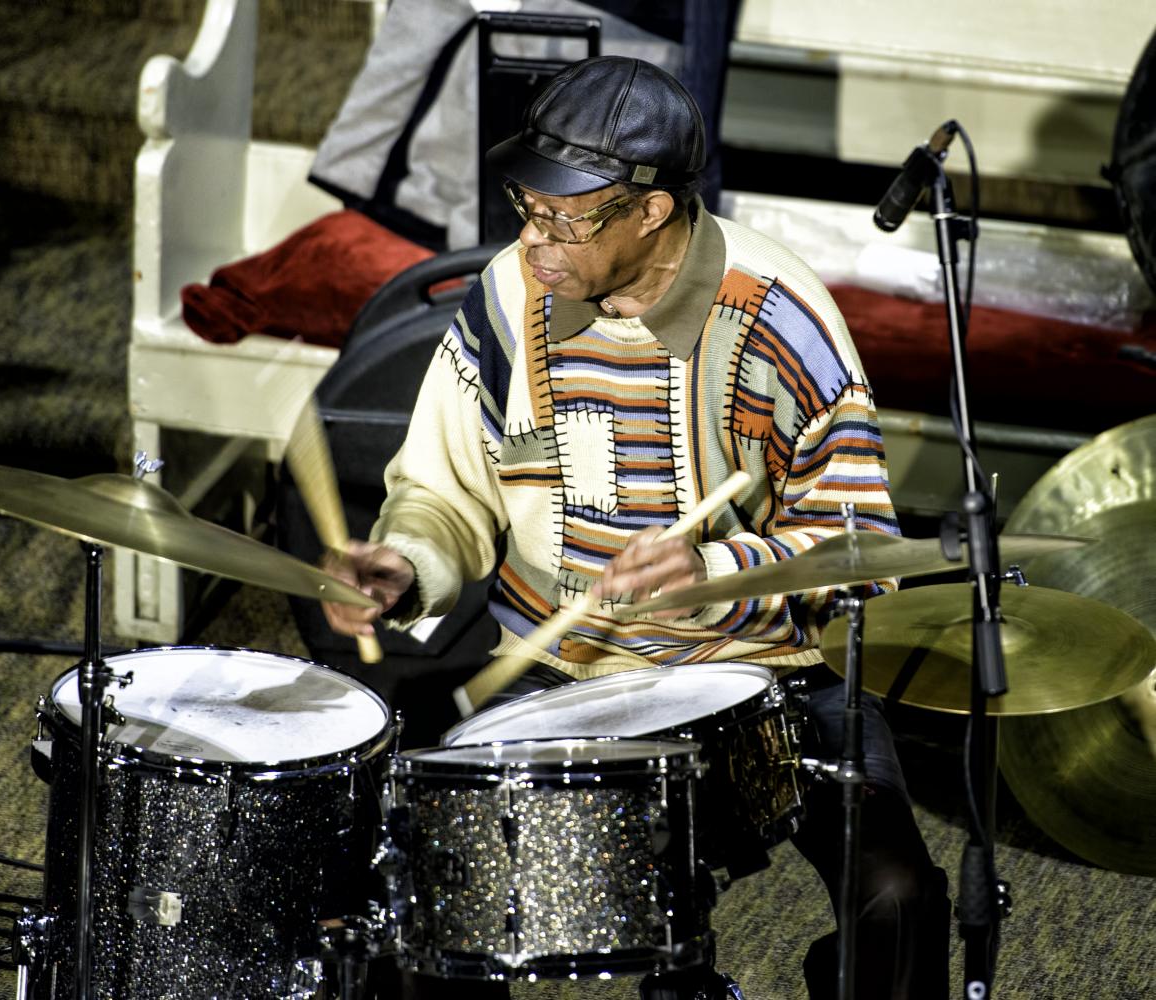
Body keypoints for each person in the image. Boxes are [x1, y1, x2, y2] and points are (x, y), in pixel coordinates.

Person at [323, 55, 950, 1000]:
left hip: (761, 677)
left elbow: (858, 549)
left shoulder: (779, 317)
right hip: (559, 666)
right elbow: (446, 492)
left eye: (563, 218)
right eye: (525, 207)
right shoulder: (505, 300)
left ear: (650, 210)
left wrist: (714, 565)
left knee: (898, 895)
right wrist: (405, 565)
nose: (534, 240)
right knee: (422, 898)